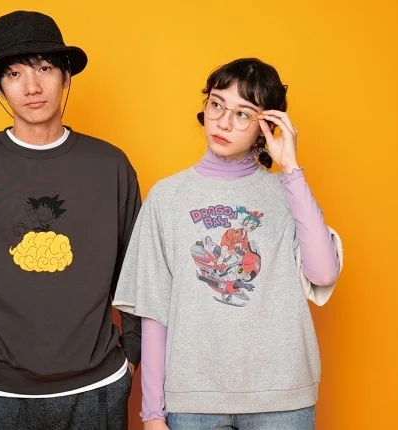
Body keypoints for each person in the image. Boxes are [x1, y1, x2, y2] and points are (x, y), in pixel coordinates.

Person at [0, 10, 141, 430]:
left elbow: (136, 270)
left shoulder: (110, 166)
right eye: (14, 74)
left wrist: (131, 355)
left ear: (66, 75)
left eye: (44, 68)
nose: (32, 87)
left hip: (97, 387)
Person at [113, 58, 343, 430]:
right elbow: (154, 310)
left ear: (265, 127)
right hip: (194, 399)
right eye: (217, 105)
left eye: (243, 114)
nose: (223, 122)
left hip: (282, 397)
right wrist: (152, 413)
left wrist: (292, 171)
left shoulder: (286, 193)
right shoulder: (167, 197)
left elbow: (324, 272)